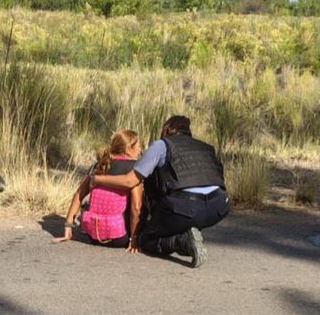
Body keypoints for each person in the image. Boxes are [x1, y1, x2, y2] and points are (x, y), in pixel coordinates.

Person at [90, 115, 229, 268]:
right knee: (186, 215)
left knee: (145, 239)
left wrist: (97, 179)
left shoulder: (162, 145)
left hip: (185, 208)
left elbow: (130, 181)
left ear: (166, 130)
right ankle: (188, 231)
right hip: (219, 207)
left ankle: (182, 241)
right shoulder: (207, 148)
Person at [53, 129, 144, 252]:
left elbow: (79, 194)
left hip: (93, 235)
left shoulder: (100, 164)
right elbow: (136, 207)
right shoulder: (133, 169)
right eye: (139, 146)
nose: (141, 150)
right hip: (119, 237)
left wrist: (68, 226)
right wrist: (133, 239)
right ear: (129, 149)